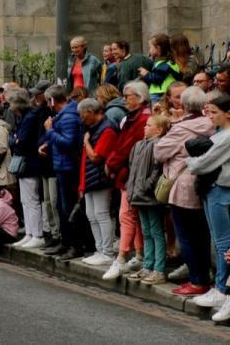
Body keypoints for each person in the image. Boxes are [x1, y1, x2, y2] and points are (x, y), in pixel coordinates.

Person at [153, 86, 215, 296]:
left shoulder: (180, 128)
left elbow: (159, 152)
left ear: (184, 104)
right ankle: (205, 276)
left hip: (183, 187)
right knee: (203, 235)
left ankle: (197, 281)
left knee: (186, 236)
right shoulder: (210, 123)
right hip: (206, 184)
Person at [186, 94, 230, 318]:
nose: (209, 116)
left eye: (214, 112)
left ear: (227, 113)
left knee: (224, 243)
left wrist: (190, 162)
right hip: (214, 188)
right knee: (219, 240)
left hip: (221, 189)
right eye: (208, 112)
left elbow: (203, 163)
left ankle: (222, 289)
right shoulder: (221, 134)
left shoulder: (227, 137)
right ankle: (221, 288)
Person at [101, 81, 150, 280]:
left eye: (128, 95)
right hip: (128, 174)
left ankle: (121, 259)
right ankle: (138, 254)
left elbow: (126, 146)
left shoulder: (142, 119)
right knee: (133, 217)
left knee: (127, 216)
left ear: (139, 98)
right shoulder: (133, 117)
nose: (124, 99)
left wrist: (111, 162)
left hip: (133, 175)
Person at [39, 85, 87, 260]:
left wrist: (49, 131)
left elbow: (68, 142)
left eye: (47, 101)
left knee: (68, 208)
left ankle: (75, 245)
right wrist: (48, 144)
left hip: (68, 168)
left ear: (52, 100)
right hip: (61, 166)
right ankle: (65, 242)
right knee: (61, 207)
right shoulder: (63, 115)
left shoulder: (68, 116)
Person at [125, 114, 169, 285]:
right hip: (138, 196)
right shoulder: (138, 145)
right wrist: (132, 189)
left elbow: (157, 170)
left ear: (159, 130)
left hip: (150, 197)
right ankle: (148, 265)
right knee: (146, 232)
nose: (145, 127)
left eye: (149, 125)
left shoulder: (158, 144)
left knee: (156, 232)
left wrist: (145, 186)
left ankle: (159, 269)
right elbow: (131, 167)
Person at [77, 98, 117, 266]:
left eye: (82, 114)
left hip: (101, 179)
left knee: (101, 214)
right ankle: (99, 249)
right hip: (91, 178)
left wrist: (86, 142)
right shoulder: (94, 128)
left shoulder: (106, 130)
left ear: (90, 112)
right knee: (91, 215)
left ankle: (107, 251)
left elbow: (96, 157)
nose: (81, 118)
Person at [9, 88, 47, 249]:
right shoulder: (24, 116)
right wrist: (15, 140)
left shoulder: (29, 117)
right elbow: (14, 139)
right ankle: (30, 233)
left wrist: (15, 140)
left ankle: (37, 234)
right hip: (25, 162)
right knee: (25, 200)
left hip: (30, 162)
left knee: (31, 200)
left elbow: (21, 140)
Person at [138, 33, 181, 103]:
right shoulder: (168, 62)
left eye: (150, 47)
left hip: (160, 94)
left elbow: (157, 79)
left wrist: (146, 74)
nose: (150, 50)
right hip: (165, 92)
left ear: (158, 48)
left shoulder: (163, 63)